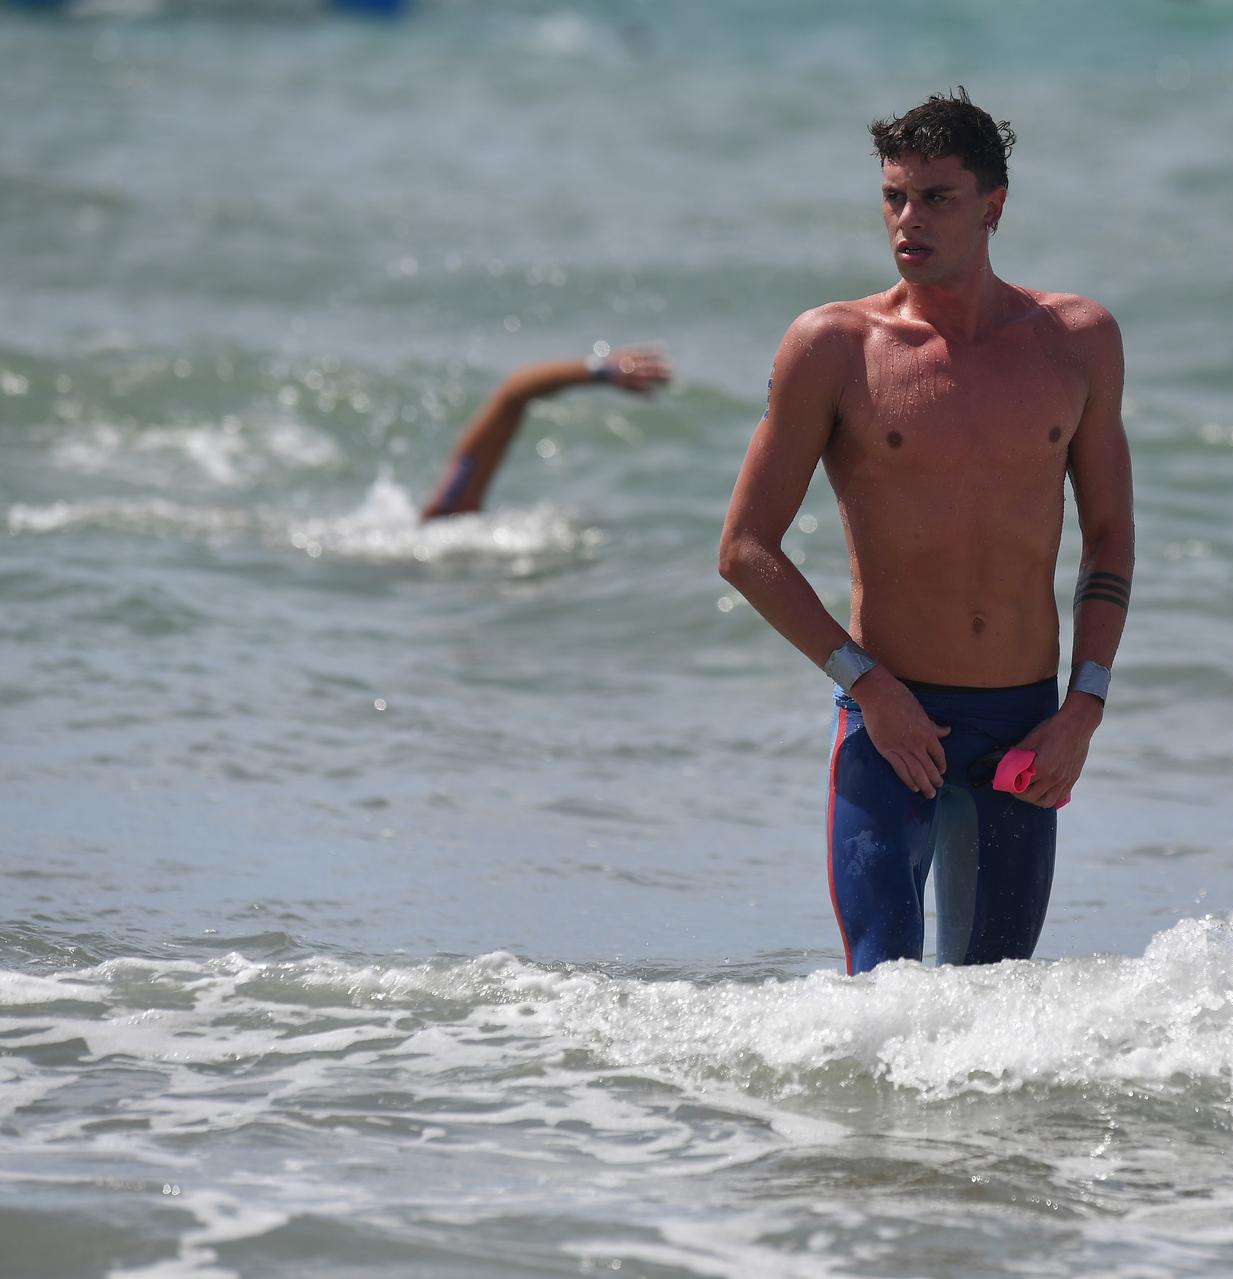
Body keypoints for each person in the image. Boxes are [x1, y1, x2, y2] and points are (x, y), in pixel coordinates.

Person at [717, 89, 1134, 975]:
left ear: (994, 207)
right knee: (886, 1007)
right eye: (894, 196)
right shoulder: (833, 347)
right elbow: (746, 549)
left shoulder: (1078, 341)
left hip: (1023, 727)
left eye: (936, 198)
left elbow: (1109, 537)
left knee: (993, 1020)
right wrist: (866, 686)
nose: (908, 220)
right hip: (889, 725)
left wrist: (1083, 710)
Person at [420, 346, 670, 521]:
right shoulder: (449, 515)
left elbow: (512, 394)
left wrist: (604, 371)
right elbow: (513, 395)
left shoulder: (446, 515)